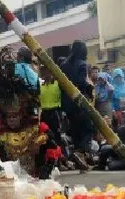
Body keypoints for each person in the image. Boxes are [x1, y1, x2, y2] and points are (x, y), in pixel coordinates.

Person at [61, 40, 93, 170]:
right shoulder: (82, 64)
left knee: (75, 130)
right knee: (88, 129)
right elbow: (81, 82)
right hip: (79, 101)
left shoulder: (63, 65)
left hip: (67, 103)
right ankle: (82, 152)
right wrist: (89, 89)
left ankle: (81, 157)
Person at [39, 65, 62, 136]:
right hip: (44, 114)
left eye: (44, 70)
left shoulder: (57, 83)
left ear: (49, 71)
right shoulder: (40, 85)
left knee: (56, 135)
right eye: (41, 70)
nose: (42, 73)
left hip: (55, 113)